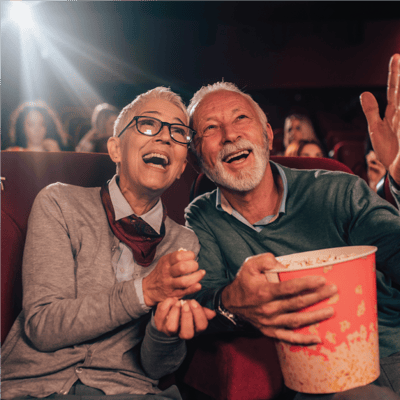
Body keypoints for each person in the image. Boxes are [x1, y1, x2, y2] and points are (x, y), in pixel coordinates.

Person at [185, 54, 400, 399]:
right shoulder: (202, 217)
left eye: (241, 118)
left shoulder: (339, 190)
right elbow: (201, 301)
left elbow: (395, 251)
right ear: (196, 157)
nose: (229, 135)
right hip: (320, 372)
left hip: (390, 347)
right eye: (210, 128)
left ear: (268, 135)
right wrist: (230, 300)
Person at [2, 87, 215, 400]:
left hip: (130, 392)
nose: (164, 137)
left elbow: (156, 368)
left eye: (179, 132)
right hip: (34, 387)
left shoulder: (185, 243)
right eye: (148, 124)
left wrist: (165, 333)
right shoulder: (59, 202)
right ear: (115, 149)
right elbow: (43, 327)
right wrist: (146, 292)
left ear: (182, 166)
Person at [6, 100, 71, 151]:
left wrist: (57, 154)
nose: (37, 129)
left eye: (42, 124)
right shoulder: (12, 153)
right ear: (23, 127)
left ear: (48, 127)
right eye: (31, 124)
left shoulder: (55, 151)